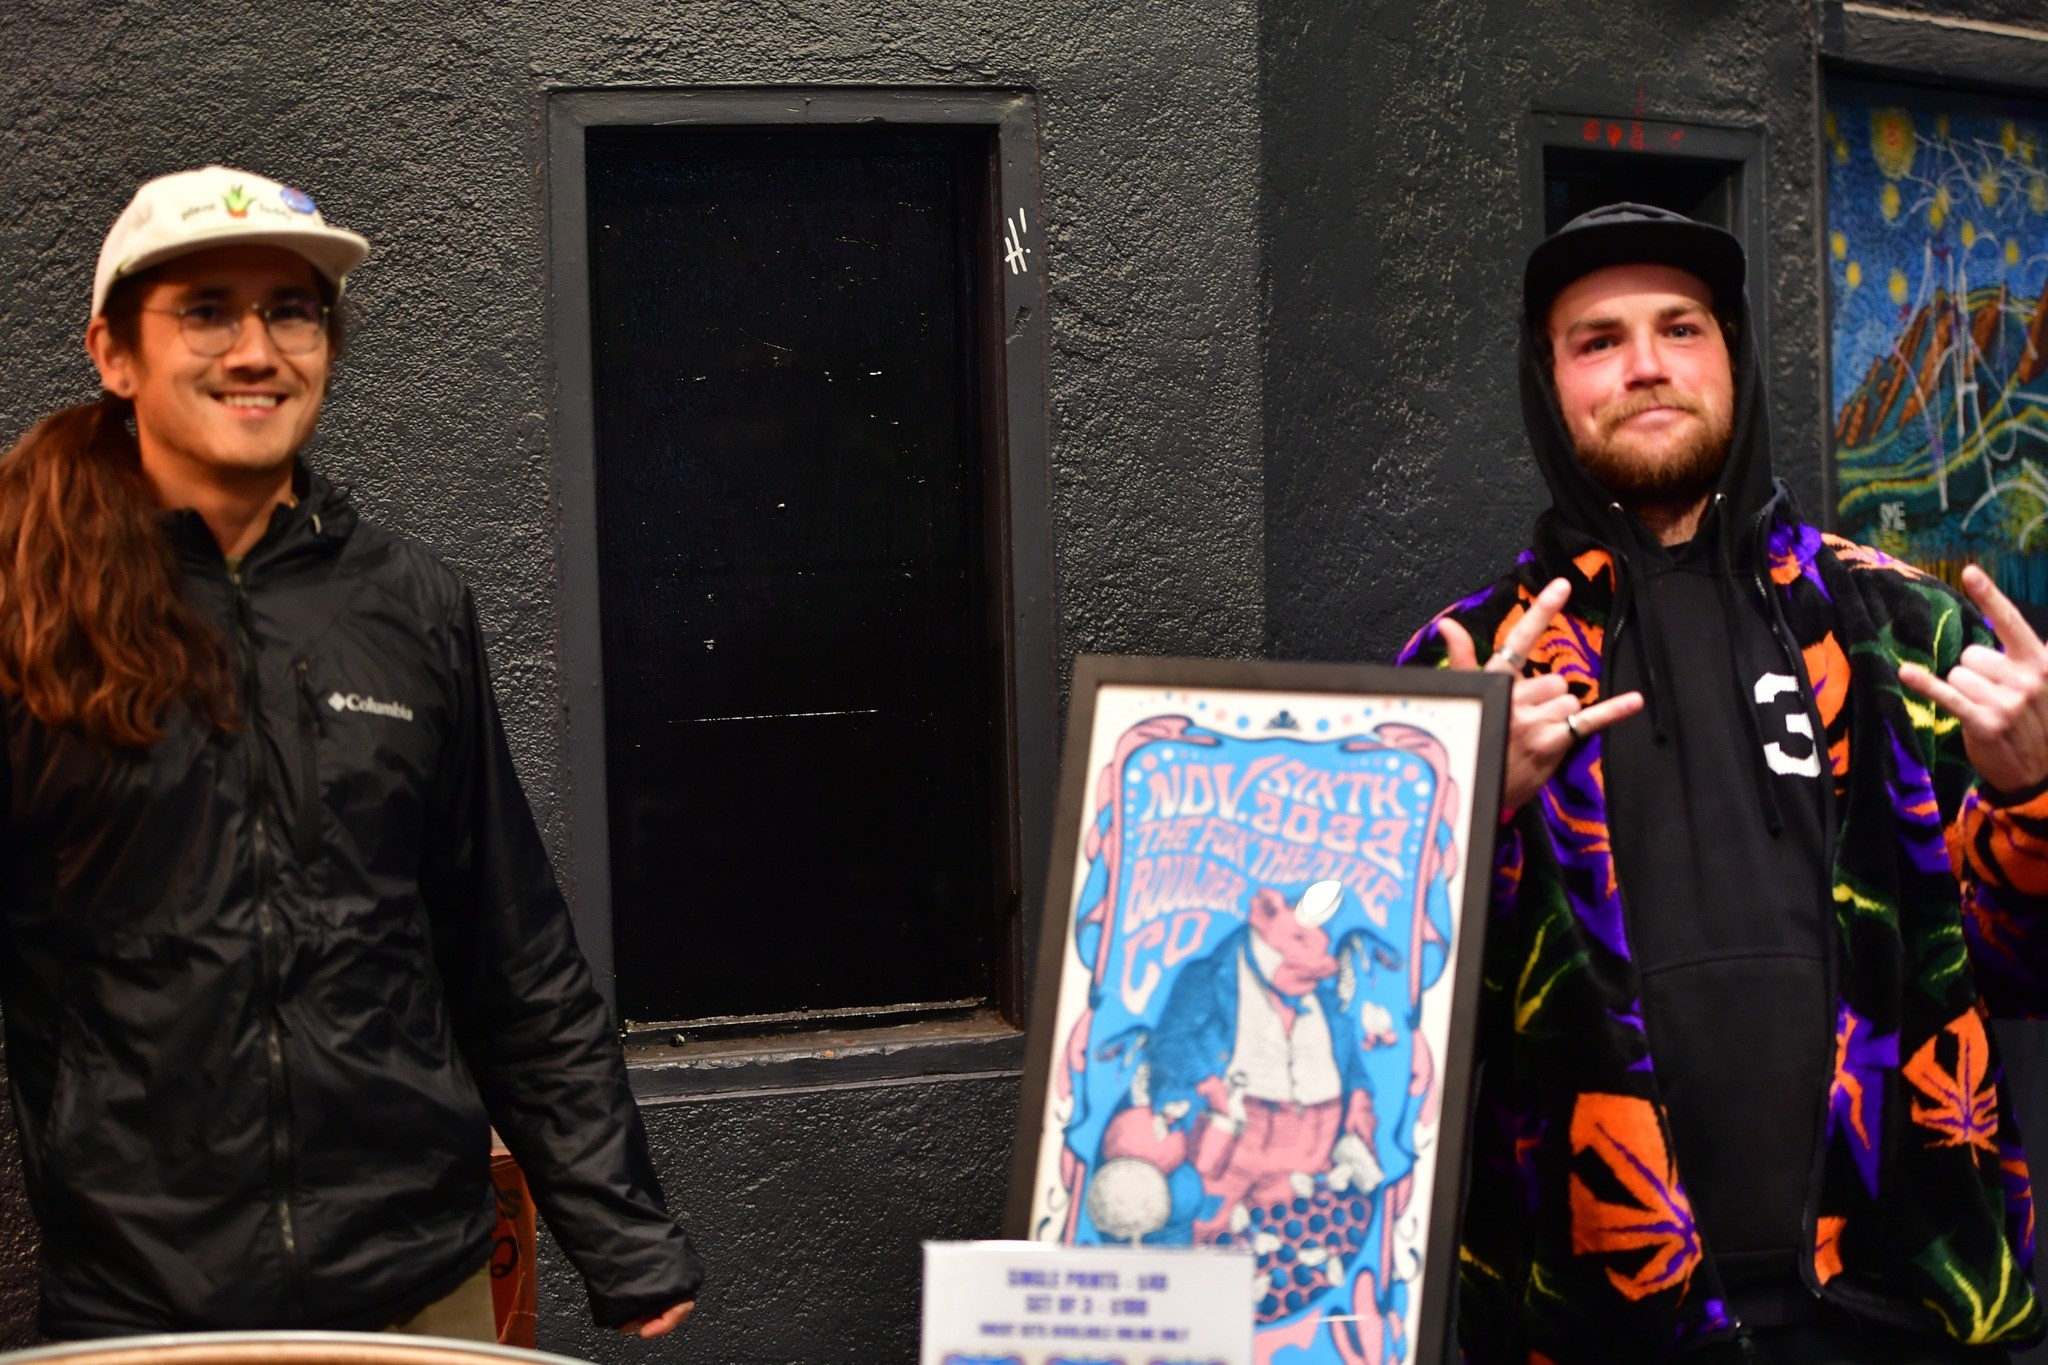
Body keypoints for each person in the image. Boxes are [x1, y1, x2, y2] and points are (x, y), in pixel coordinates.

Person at [0, 166, 703, 1340]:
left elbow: (510, 951)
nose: (256, 350)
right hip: (141, 1302)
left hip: (419, 1285)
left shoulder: (409, 605)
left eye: (292, 311)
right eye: (207, 312)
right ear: (114, 354)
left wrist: (621, 1232)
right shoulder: (26, 607)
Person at [1400, 203, 2048, 1363]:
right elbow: (1378, 1031)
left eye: (1679, 328)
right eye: (1596, 341)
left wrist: (2029, 796)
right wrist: (1467, 815)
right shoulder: (1472, 665)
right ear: (1547, 385)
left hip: (1901, 1314)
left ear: (1732, 361)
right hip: (1597, 1329)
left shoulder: (1903, 629)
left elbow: (2019, 970)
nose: (1644, 365)